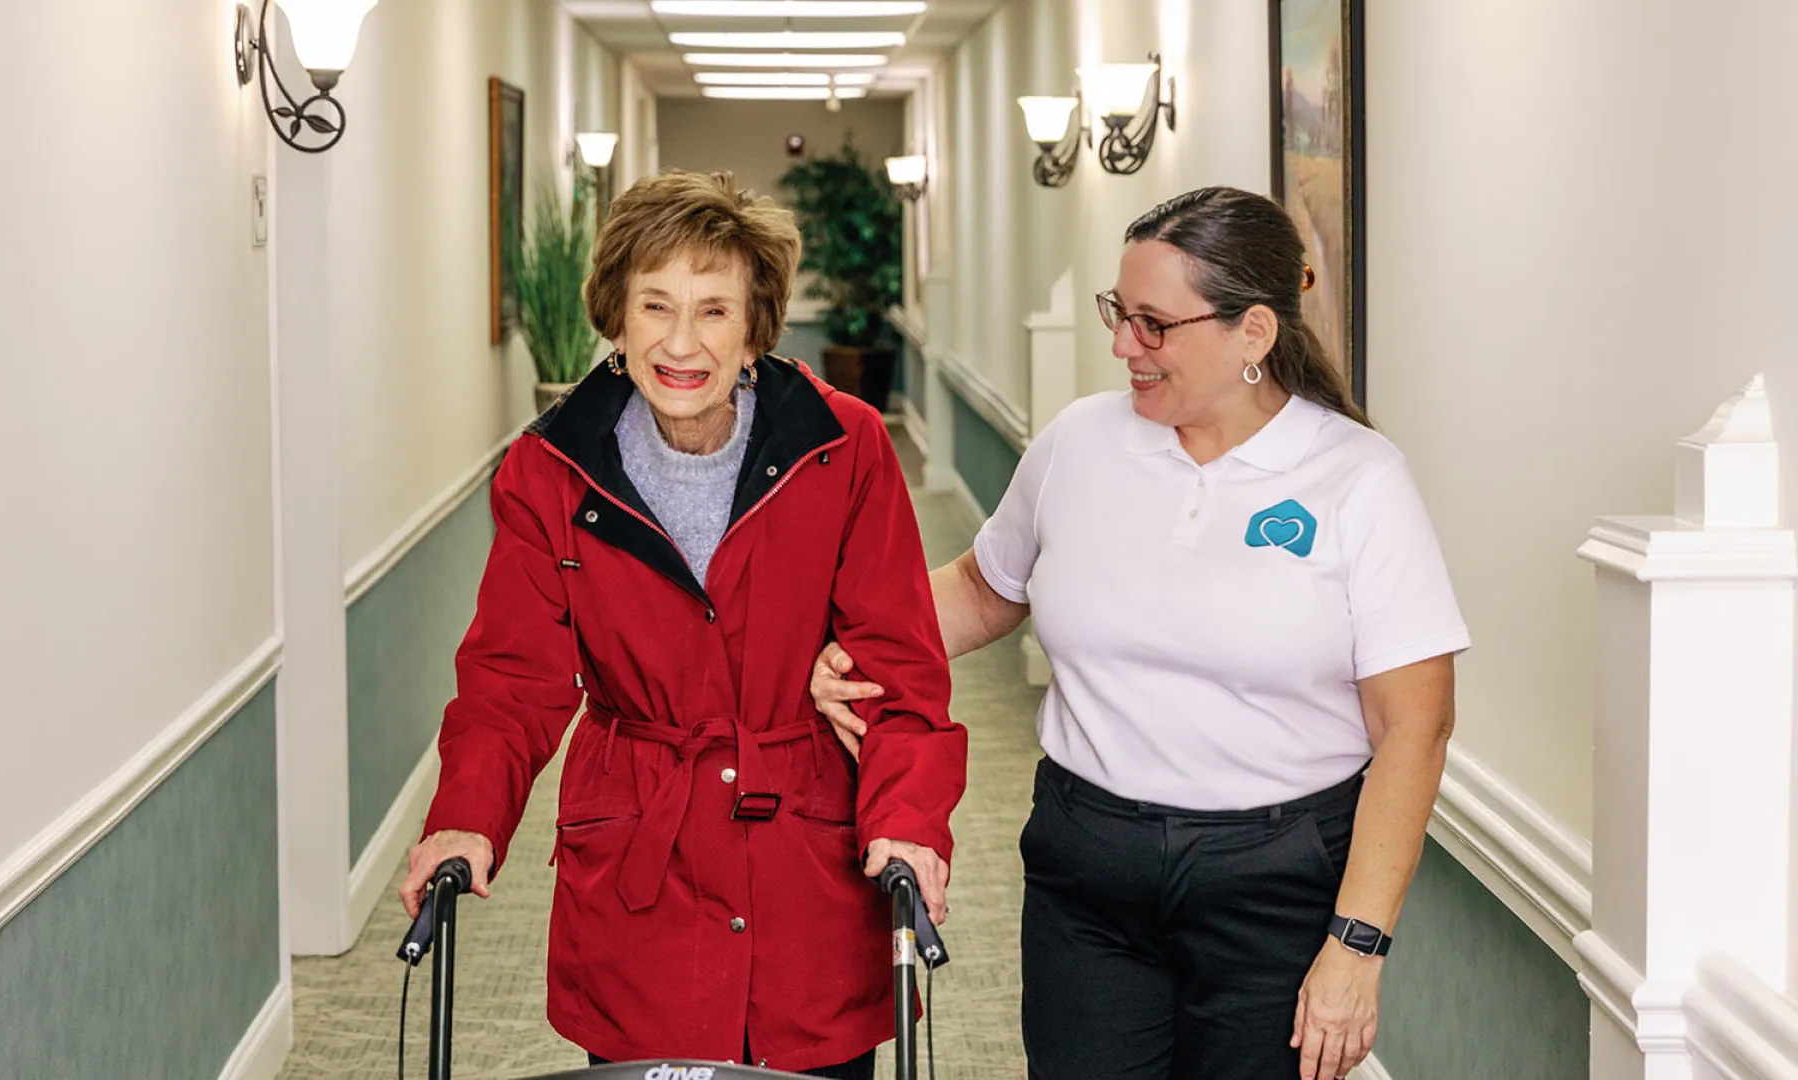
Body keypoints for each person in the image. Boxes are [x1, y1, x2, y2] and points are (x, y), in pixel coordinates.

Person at [812, 186, 1467, 1080]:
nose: (1123, 344)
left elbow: (1414, 731)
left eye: (1153, 324)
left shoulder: (1356, 479)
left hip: (1274, 882)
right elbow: (982, 587)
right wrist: (840, 649)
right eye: (1120, 314)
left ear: (1255, 335)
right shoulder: (1079, 443)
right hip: (1088, 869)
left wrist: (1356, 946)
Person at [402, 170, 968, 1079]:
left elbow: (899, 672)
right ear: (616, 324)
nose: (680, 342)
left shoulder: (843, 446)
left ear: (754, 331)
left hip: (806, 867)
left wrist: (908, 821)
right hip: (639, 866)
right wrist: (465, 816)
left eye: (713, 310)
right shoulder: (551, 471)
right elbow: (514, 679)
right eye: (655, 304)